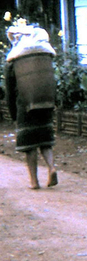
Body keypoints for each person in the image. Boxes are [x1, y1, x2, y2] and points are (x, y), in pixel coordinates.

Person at [4, 24, 58, 189]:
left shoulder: (13, 63)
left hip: (25, 106)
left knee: (30, 145)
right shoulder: (45, 56)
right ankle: (51, 167)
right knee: (45, 141)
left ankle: (34, 181)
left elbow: (10, 92)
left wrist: (13, 115)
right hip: (46, 103)